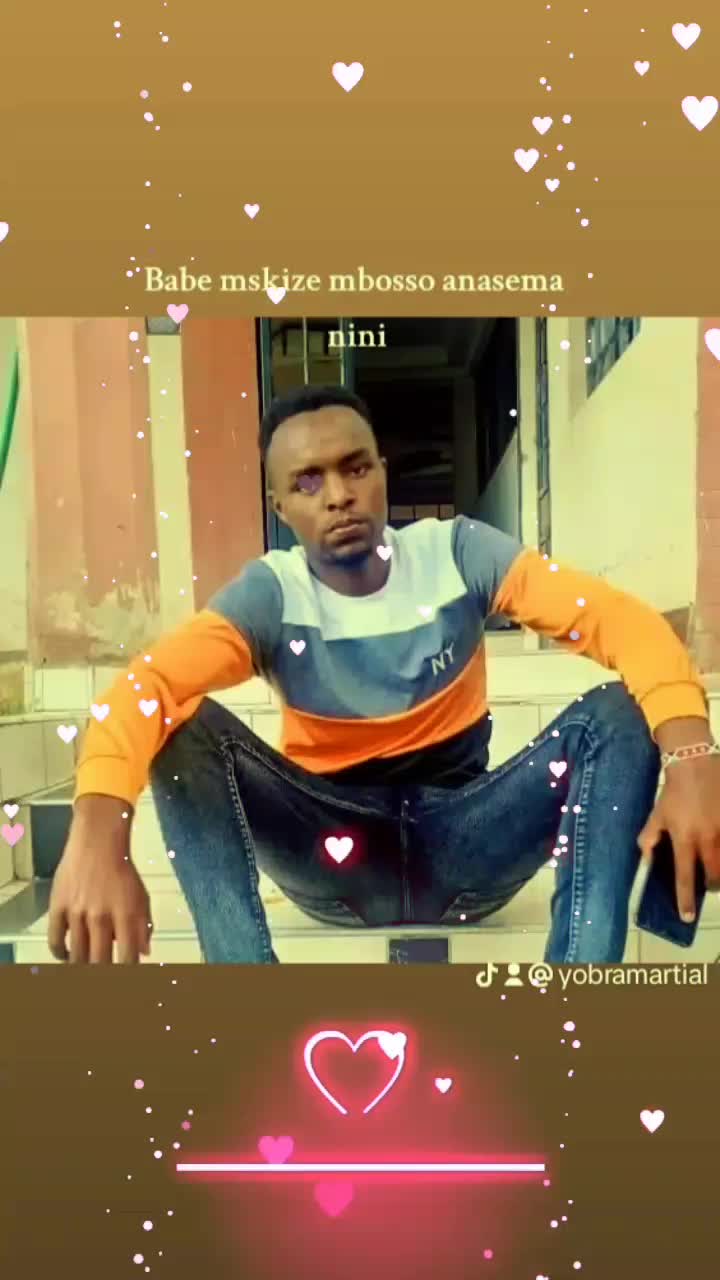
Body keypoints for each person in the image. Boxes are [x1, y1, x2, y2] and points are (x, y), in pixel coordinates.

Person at [47, 384, 720, 964]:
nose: (339, 496)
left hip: (468, 846)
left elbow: (622, 623)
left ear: (382, 473)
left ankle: (576, 996)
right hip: (330, 857)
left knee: (618, 711)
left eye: (355, 468)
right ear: (280, 507)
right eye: (308, 482)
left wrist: (692, 761)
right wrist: (98, 834)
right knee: (181, 722)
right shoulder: (272, 595)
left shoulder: (457, 554)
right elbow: (145, 688)